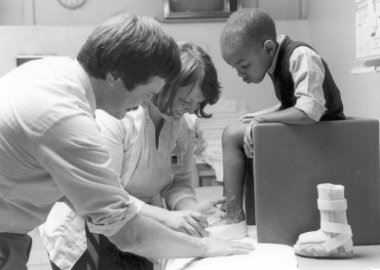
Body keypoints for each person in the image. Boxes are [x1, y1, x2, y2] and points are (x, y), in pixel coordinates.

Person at [0, 13, 252, 270]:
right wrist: (205, 246)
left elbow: (173, 185)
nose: (145, 103)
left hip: (12, 232)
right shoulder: (69, 119)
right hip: (78, 233)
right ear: (115, 75)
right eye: (148, 93)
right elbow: (126, 230)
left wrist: (187, 214)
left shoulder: (55, 76)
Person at [40, 41, 225, 270]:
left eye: (197, 103)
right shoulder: (120, 116)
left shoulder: (185, 126)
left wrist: (188, 211)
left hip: (141, 225)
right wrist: (166, 217)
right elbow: (106, 195)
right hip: (88, 227)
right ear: (165, 86)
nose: (188, 109)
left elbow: (179, 181)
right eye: (185, 100)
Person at [219, 8, 345, 223]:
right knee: (242, 125)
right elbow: (290, 104)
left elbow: (308, 111)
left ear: (268, 48)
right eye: (235, 68)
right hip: (310, 128)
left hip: (324, 132)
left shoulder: (301, 56)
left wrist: (262, 120)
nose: (240, 74)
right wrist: (257, 115)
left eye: (243, 65)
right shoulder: (275, 61)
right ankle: (236, 213)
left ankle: (232, 216)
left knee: (232, 135)